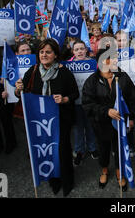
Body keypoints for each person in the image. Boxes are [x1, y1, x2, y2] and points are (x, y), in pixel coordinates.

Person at [15, 39, 79, 196]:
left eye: (48, 52)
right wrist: (18, 89)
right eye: (42, 52)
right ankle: (54, 180)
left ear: (55, 55)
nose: (44, 55)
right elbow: (21, 94)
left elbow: (75, 94)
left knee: (63, 150)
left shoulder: (64, 72)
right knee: (47, 150)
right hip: (40, 121)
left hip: (60, 120)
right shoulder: (33, 70)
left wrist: (64, 99)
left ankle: (67, 181)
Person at [82, 47, 135, 192]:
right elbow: (88, 104)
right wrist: (106, 111)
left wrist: (131, 118)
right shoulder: (92, 81)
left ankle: (120, 171)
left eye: (114, 58)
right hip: (101, 124)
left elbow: (132, 99)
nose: (113, 61)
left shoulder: (122, 76)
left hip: (120, 123)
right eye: (108, 58)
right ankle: (104, 169)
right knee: (104, 148)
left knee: (119, 147)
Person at [68, 39, 99, 166]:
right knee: (78, 127)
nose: (80, 51)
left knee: (90, 125)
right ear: (73, 52)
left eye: (82, 49)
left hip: (90, 102)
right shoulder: (68, 65)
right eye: (77, 49)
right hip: (75, 102)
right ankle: (79, 150)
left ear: (86, 50)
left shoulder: (93, 63)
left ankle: (92, 147)